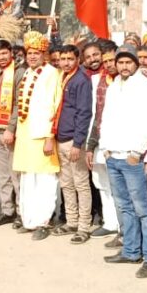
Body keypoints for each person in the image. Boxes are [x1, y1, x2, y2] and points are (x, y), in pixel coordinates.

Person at [99, 45, 147, 277]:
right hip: (113, 155)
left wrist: (137, 151)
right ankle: (131, 250)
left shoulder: (145, 86)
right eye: (120, 62)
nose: (124, 66)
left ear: (136, 63)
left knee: (143, 208)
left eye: (128, 62)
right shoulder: (115, 85)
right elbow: (106, 117)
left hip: (132, 157)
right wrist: (105, 147)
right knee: (124, 206)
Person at [12, 31, 61, 240]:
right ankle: (29, 220)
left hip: (42, 135)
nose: (32, 56)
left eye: (36, 53)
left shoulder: (52, 73)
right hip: (25, 134)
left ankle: (44, 221)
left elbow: (55, 105)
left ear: (44, 54)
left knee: (45, 179)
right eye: (29, 53)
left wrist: (50, 136)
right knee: (27, 178)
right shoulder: (26, 73)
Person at [53, 45, 93, 244]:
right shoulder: (61, 77)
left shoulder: (81, 80)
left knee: (81, 184)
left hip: (73, 141)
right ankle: (71, 222)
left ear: (78, 59)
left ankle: (84, 227)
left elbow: (84, 113)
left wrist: (78, 143)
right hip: (60, 138)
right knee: (66, 184)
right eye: (63, 59)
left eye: (70, 59)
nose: (66, 62)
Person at [0, 40, 25, 227]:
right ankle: (7, 210)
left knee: (16, 175)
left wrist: (11, 128)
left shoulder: (18, 72)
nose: (1, 57)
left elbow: (18, 103)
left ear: (11, 53)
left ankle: (22, 212)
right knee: (2, 175)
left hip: (10, 133)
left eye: (4, 53)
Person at [85, 45, 121, 241]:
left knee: (118, 187)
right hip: (98, 139)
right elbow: (95, 114)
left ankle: (123, 229)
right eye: (106, 61)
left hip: (118, 143)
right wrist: (90, 145)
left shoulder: (126, 82)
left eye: (111, 60)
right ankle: (110, 223)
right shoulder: (97, 80)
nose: (108, 64)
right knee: (101, 184)